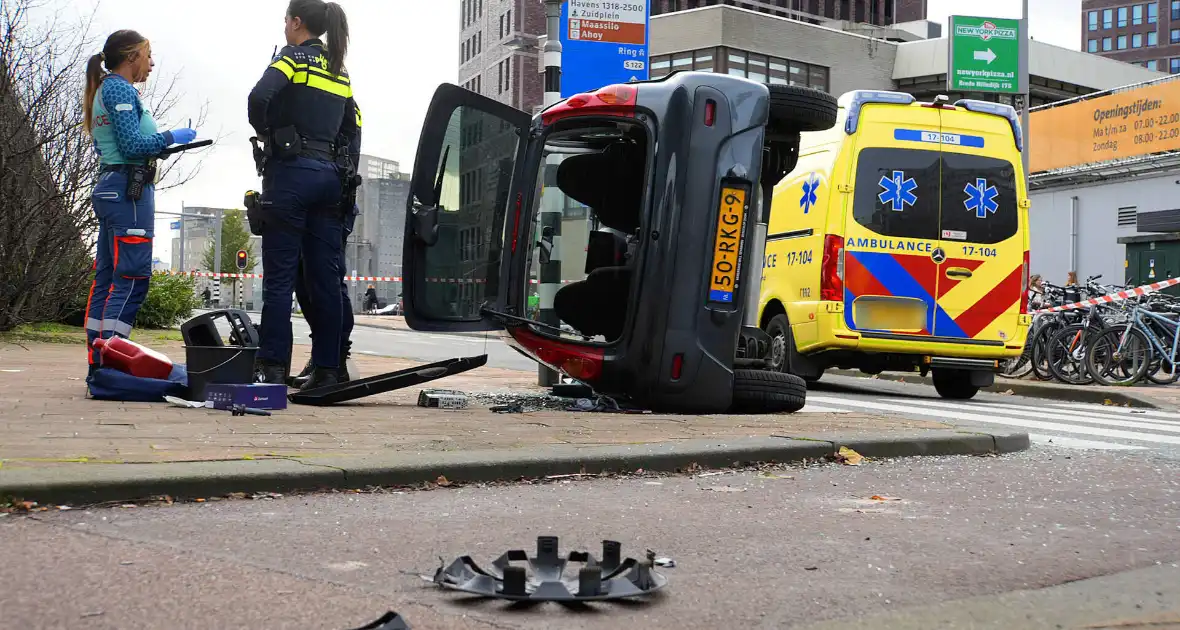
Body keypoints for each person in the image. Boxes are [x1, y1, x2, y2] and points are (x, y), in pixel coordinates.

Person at [248, 0, 359, 388]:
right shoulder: (338, 69)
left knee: (279, 279)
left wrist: (270, 134)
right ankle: (329, 369)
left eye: (286, 20)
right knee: (325, 280)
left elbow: (258, 97)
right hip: (330, 179)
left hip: (291, 175)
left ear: (296, 22)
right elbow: (354, 123)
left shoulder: (291, 59)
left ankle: (273, 367)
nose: (284, 27)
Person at [82, 30, 198, 375]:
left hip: (113, 187)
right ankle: (114, 365)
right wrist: (169, 137)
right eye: (148, 56)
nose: (151, 63)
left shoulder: (107, 89)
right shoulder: (119, 88)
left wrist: (160, 145)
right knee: (131, 277)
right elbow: (133, 146)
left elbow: (127, 142)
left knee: (106, 278)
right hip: (128, 191)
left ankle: (99, 363)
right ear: (131, 56)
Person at [292, 101, 363, 388]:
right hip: (315, 196)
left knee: (327, 280)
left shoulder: (339, 98)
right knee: (304, 279)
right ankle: (323, 353)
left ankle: (335, 359)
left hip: (332, 200)